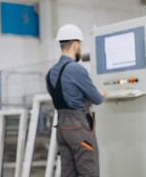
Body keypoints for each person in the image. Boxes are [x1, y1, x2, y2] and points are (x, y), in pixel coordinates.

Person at [45, 24, 106, 177]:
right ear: (75, 45)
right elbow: (97, 99)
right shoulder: (76, 69)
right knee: (88, 172)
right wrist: (102, 93)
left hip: (61, 129)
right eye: (80, 45)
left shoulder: (50, 72)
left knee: (68, 173)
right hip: (78, 127)